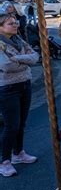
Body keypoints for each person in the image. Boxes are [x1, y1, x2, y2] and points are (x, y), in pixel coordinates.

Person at [0, 13, 39, 177]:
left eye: (15, 22)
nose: (15, 25)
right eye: (10, 23)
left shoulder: (19, 40)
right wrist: (23, 61)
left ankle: (18, 153)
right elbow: (7, 65)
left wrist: (18, 58)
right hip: (8, 88)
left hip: (24, 84)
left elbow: (35, 57)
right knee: (11, 125)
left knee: (21, 122)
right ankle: (4, 161)